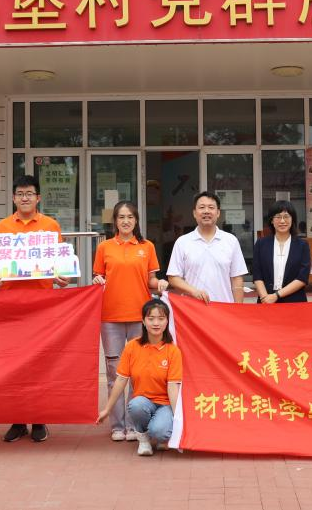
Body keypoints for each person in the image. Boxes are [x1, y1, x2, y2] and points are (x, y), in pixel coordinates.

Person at [0, 175, 69, 444]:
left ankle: (38, 419)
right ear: (14, 198)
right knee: (13, 364)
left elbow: (60, 265)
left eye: (29, 194)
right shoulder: (2, 227)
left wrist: (62, 277)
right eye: (20, 193)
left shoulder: (51, 226)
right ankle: (17, 420)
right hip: (11, 306)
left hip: (41, 306)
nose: (25, 198)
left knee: (39, 363)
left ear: (38, 198)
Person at [92, 201, 167, 442]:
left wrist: (160, 283)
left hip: (139, 318)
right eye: (121, 217)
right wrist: (96, 280)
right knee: (114, 373)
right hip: (110, 317)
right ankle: (117, 426)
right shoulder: (104, 247)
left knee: (137, 373)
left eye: (130, 217)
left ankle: (135, 424)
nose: (126, 221)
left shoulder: (147, 247)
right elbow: (99, 277)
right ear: (115, 221)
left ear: (136, 221)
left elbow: (150, 280)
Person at [97, 298, 182, 457]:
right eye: (151, 318)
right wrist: (107, 409)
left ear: (167, 322)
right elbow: (121, 380)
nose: (156, 323)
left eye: (161, 318)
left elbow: (172, 387)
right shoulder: (132, 346)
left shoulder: (173, 351)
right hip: (143, 402)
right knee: (135, 405)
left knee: (160, 431)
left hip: (165, 404)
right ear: (143, 321)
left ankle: (161, 432)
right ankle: (143, 437)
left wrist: (178, 417)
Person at [167, 191, 248, 304]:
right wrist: (194, 291)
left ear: (218, 213)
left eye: (211, 207)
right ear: (194, 213)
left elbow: (237, 278)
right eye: (202, 207)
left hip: (224, 307)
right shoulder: (182, 242)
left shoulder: (231, 241)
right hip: (193, 308)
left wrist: (237, 308)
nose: (206, 211)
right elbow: (173, 278)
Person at [252, 200, 311, 304]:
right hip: (266, 301)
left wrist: (276, 295)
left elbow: (302, 277)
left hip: (295, 302)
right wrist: (265, 298)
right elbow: (257, 274)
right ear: (271, 220)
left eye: (286, 216)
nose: (282, 221)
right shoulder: (261, 244)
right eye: (278, 217)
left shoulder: (302, 245)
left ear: (292, 219)